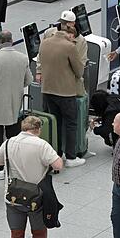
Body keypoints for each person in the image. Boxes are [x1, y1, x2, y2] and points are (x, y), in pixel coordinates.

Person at [0, 115, 63, 238]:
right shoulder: (41, 145)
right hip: (36, 198)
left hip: (13, 196)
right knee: (39, 235)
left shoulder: (9, 142)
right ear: (38, 129)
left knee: (16, 235)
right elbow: (58, 165)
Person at [0, 30, 32, 179]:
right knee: (13, 136)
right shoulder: (22, 58)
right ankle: (13, 166)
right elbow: (28, 80)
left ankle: (0, 169)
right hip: (14, 103)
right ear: (12, 40)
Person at [37, 25, 86, 166]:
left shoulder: (45, 42)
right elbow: (79, 71)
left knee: (54, 123)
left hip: (47, 91)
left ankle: (56, 155)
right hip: (66, 92)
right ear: (70, 34)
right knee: (71, 123)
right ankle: (71, 157)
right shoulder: (69, 47)